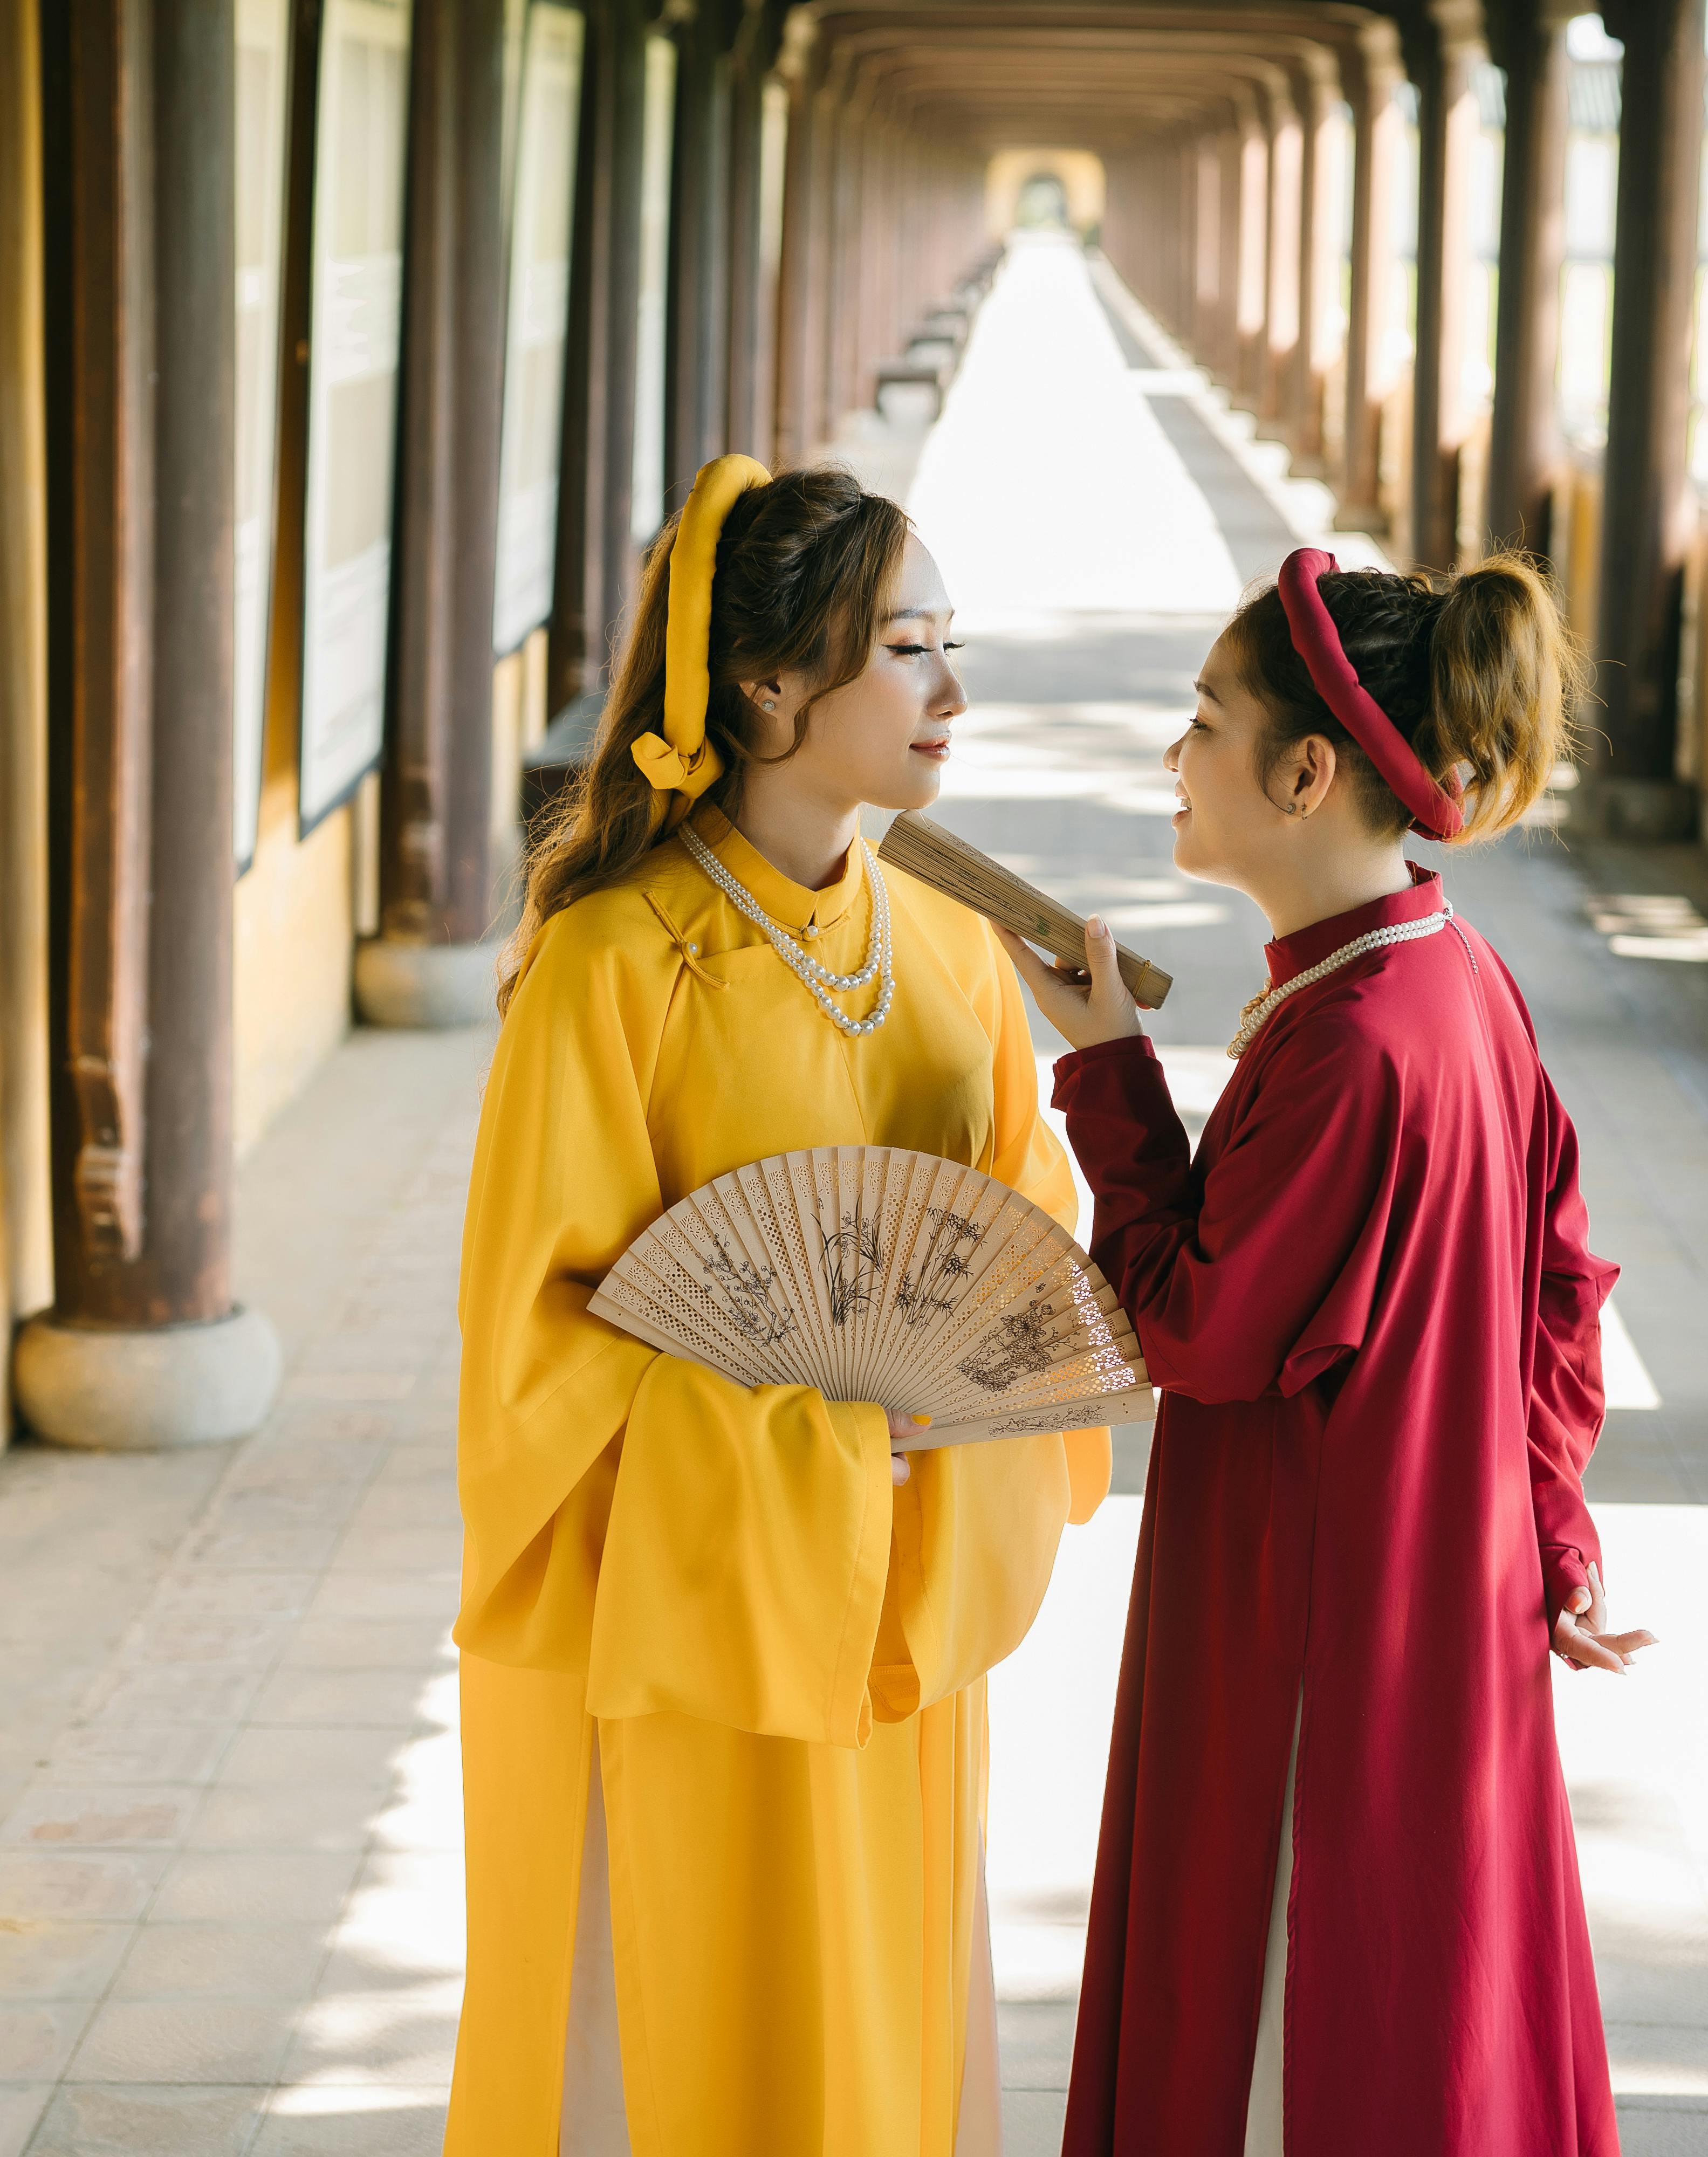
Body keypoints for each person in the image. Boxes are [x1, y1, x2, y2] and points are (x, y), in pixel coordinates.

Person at [447, 457, 1106, 2155]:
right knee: (683, 2053)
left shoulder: (952, 951)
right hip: (684, 1632)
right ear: (766, 686)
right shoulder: (612, 968)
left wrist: (940, 1425)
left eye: (949, 643)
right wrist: (810, 1446)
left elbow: (1026, 1271)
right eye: (907, 648)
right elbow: (536, 1355)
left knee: (881, 2052)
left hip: (896, 1624)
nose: (952, 691)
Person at [1011, 548, 1652, 2157]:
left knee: (1308, 2020)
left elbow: (1196, 1331)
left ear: (1306, 771)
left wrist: (1108, 1081)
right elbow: (1559, 1295)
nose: (1178, 756)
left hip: (1325, 1614)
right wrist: (1545, 1526)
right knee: (1433, 2010)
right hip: (1447, 1586)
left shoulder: (1356, 1042)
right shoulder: (1451, 983)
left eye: (1204, 722)